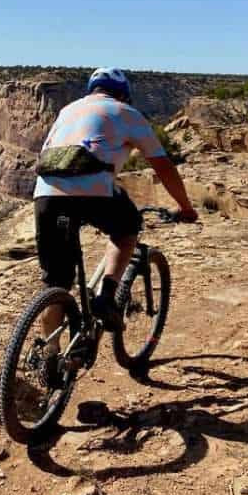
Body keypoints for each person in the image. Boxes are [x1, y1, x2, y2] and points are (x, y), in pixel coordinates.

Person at [33, 67, 198, 339]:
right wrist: (185, 206)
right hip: (93, 191)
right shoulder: (127, 113)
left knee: (56, 282)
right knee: (126, 229)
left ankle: (50, 355)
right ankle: (106, 297)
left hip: (46, 193)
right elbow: (163, 166)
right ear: (124, 94)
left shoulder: (68, 110)